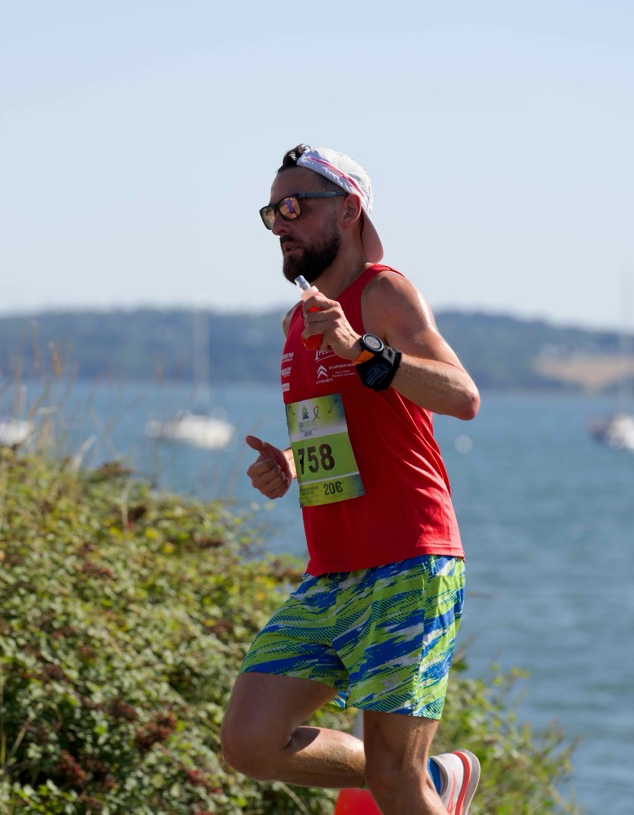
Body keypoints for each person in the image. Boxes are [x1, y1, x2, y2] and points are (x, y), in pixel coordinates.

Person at [220, 145, 481, 814]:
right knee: (249, 742)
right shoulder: (298, 322)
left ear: (349, 209)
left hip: (409, 559)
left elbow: (462, 396)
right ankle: (426, 780)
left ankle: (413, 779)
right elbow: (338, 438)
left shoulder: (382, 292)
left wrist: (361, 348)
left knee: (395, 777)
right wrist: (290, 463)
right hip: (333, 571)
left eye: (294, 206)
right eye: (272, 213)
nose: (280, 224)